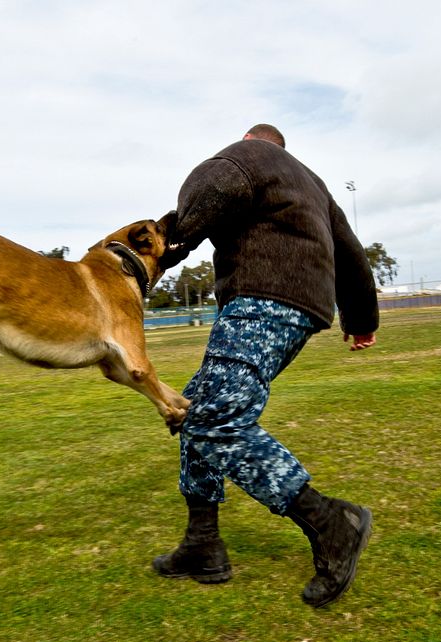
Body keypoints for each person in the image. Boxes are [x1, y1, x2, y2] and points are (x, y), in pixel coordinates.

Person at [154, 123, 379, 607]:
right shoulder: (313, 183)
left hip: (262, 298)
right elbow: (351, 252)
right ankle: (202, 541)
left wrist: (172, 244)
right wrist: (361, 318)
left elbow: (216, 180)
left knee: (216, 418)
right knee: (194, 408)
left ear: (252, 140)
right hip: (304, 307)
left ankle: (331, 523)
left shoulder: (249, 157)